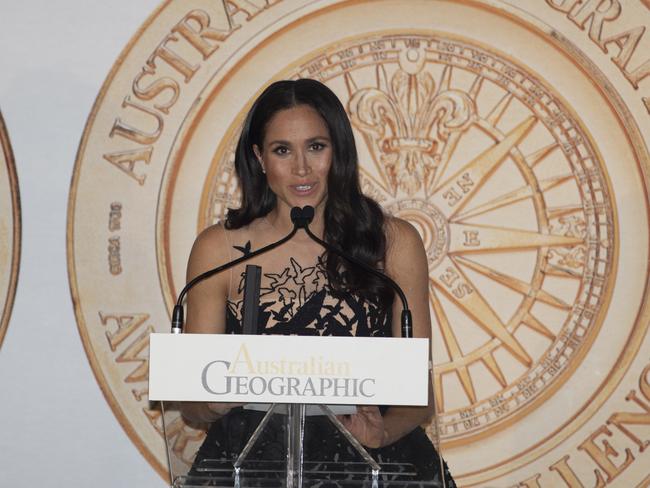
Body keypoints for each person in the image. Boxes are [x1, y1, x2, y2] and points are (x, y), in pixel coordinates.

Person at [182, 78, 456, 486]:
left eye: (316, 147)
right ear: (258, 157)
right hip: (251, 471)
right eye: (282, 150)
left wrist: (382, 431)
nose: (302, 168)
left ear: (338, 150)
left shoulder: (393, 243)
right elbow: (191, 405)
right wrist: (216, 402)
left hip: (374, 468)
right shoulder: (219, 249)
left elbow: (418, 395)